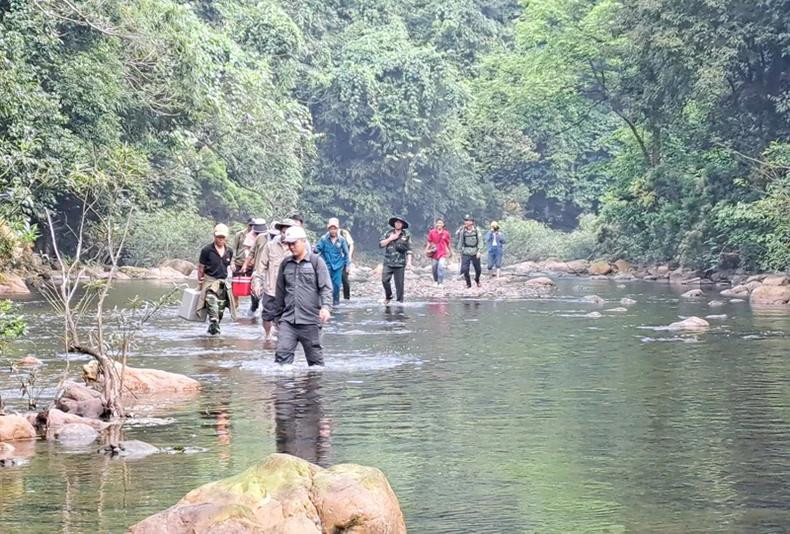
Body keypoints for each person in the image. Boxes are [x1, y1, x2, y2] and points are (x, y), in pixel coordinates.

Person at [272, 225, 333, 366]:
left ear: (304, 241)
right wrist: (277, 318)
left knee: (315, 365)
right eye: (289, 244)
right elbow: (280, 292)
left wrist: (325, 307)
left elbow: (326, 288)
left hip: (311, 321)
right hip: (288, 321)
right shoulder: (285, 264)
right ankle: (285, 388)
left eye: (294, 243)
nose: (291, 247)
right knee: (281, 360)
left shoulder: (316, 262)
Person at [252, 219, 295, 341]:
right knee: (267, 315)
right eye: (283, 231)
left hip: (289, 290)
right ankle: (267, 336)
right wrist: (257, 283)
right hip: (271, 289)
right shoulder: (270, 246)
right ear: (280, 232)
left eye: (288, 232)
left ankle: (283, 338)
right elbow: (260, 268)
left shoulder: (296, 247)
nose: (285, 235)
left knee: (285, 317)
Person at [196, 223, 237, 335]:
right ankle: (214, 322)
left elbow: (229, 265)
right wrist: (200, 282)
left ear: (226, 238)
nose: (220, 239)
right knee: (212, 303)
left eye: (223, 237)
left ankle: (213, 330)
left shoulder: (229, 251)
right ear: (214, 236)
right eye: (218, 237)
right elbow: (201, 267)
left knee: (220, 311)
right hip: (210, 281)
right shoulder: (207, 250)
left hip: (222, 283)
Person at [314, 218, 350, 306]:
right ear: (328, 229)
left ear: (337, 229)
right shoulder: (323, 239)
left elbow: (346, 253)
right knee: (325, 285)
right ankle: (325, 303)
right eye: (331, 228)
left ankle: (335, 304)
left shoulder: (341, 240)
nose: (333, 231)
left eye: (335, 228)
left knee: (337, 286)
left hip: (338, 266)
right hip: (326, 266)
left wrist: (347, 265)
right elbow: (316, 250)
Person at [379, 215, 412, 304]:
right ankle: (388, 296)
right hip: (388, 261)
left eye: (400, 223)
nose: (398, 224)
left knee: (399, 285)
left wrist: (409, 262)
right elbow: (381, 244)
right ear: (394, 224)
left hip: (400, 263)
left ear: (402, 225)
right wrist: (390, 238)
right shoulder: (388, 233)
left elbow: (409, 249)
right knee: (384, 280)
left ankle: (400, 302)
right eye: (396, 222)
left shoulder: (406, 235)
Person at [457, 214, 483, 288]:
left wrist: (479, 251)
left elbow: (480, 241)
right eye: (466, 220)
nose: (467, 222)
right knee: (465, 269)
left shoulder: (476, 230)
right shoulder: (463, 231)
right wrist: (459, 251)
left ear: (472, 222)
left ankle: (477, 279)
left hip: (475, 251)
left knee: (478, 269)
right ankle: (468, 283)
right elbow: (460, 241)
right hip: (466, 251)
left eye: (468, 220)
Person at [426, 218, 452, 286]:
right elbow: (429, 241)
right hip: (434, 252)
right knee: (434, 267)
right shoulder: (432, 232)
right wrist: (427, 250)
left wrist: (450, 251)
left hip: (442, 252)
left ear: (443, 224)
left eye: (441, 223)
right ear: (436, 224)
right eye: (438, 223)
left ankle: (440, 282)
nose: (439, 224)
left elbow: (448, 243)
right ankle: (435, 281)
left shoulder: (446, 233)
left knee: (441, 266)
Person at [339, 226, 355, 300]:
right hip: (333, 261)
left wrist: (349, 256)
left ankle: (347, 298)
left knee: (345, 279)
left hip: (344, 260)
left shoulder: (344, 233)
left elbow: (351, 244)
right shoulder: (328, 235)